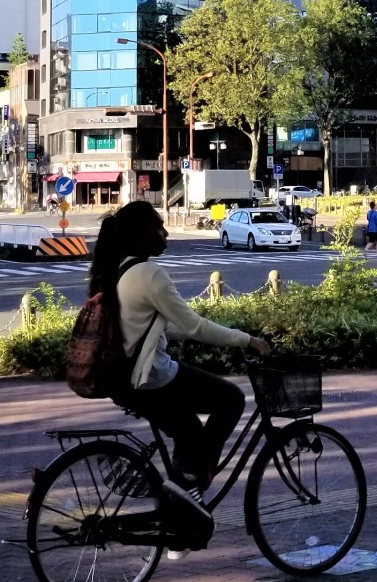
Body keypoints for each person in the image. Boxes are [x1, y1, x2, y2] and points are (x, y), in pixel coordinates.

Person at [89, 200, 270, 494]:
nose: (166, 233)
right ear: (141, 235)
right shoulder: (149, 274)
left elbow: (155, 326)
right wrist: (246, 339)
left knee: (189, 433)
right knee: (232, 399)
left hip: (124, 380)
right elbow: (193, 325)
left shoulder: (120, 269)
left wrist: (185, 334)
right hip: (150, 376)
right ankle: (198, 476)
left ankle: (180, 500)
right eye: (159, 227)